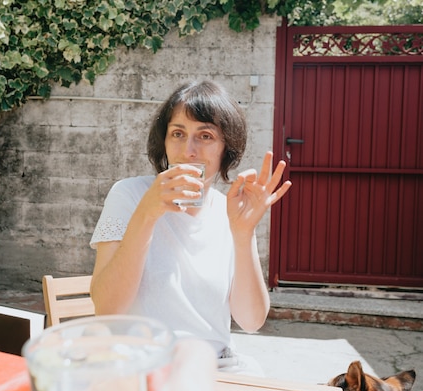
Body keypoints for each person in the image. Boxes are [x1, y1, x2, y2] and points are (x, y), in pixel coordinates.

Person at [89, 80, 292, 375]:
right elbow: (106, 308)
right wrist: (147, 214)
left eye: (205, 135)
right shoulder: (130, 195)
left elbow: (251, 321)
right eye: (178, 133)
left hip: (216, 368)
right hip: (144, 366)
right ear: (165, 142)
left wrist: (243, 232)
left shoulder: (229, 210)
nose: (189, 150)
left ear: (227, 150)